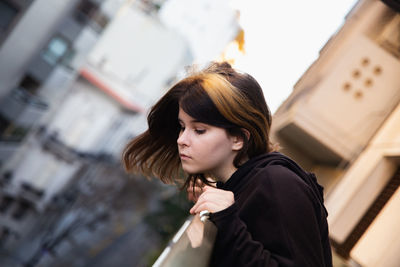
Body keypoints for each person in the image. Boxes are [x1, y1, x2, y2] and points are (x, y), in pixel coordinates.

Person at [123, 62, 333, 267]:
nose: (181, 140)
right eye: (182, 127)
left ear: (238, 139)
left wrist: (228, 219)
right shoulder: (242, 187)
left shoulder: (278, 183)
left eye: (199, 130)